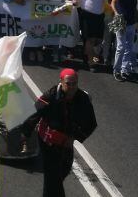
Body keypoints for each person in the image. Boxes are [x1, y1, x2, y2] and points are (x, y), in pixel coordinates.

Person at [34, 68, 96, 197]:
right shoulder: (50, 96)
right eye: (68, 83)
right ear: (61, 82)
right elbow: (35, 114)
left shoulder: (83, 98)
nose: (72, 87)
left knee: (63, 171)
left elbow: (91, 123)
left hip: (66, 142)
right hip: (48, 143)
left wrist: (75, 137)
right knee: (53, 178)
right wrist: (25, 132)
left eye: (74, 83)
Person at [72, 0, 109, 71]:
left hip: (100, 16)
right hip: (87, 15)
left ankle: (87, 54)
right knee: (90, 39)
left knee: (98, 40)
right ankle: (91, 62)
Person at [110, 0, 138, 81]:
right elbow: (113, 2)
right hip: (121, 22)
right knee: (121, 47)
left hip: (131, 23)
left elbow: (134, 8)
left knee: (129, 48)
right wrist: (116, 13)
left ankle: (125, 70)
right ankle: (116, 71)